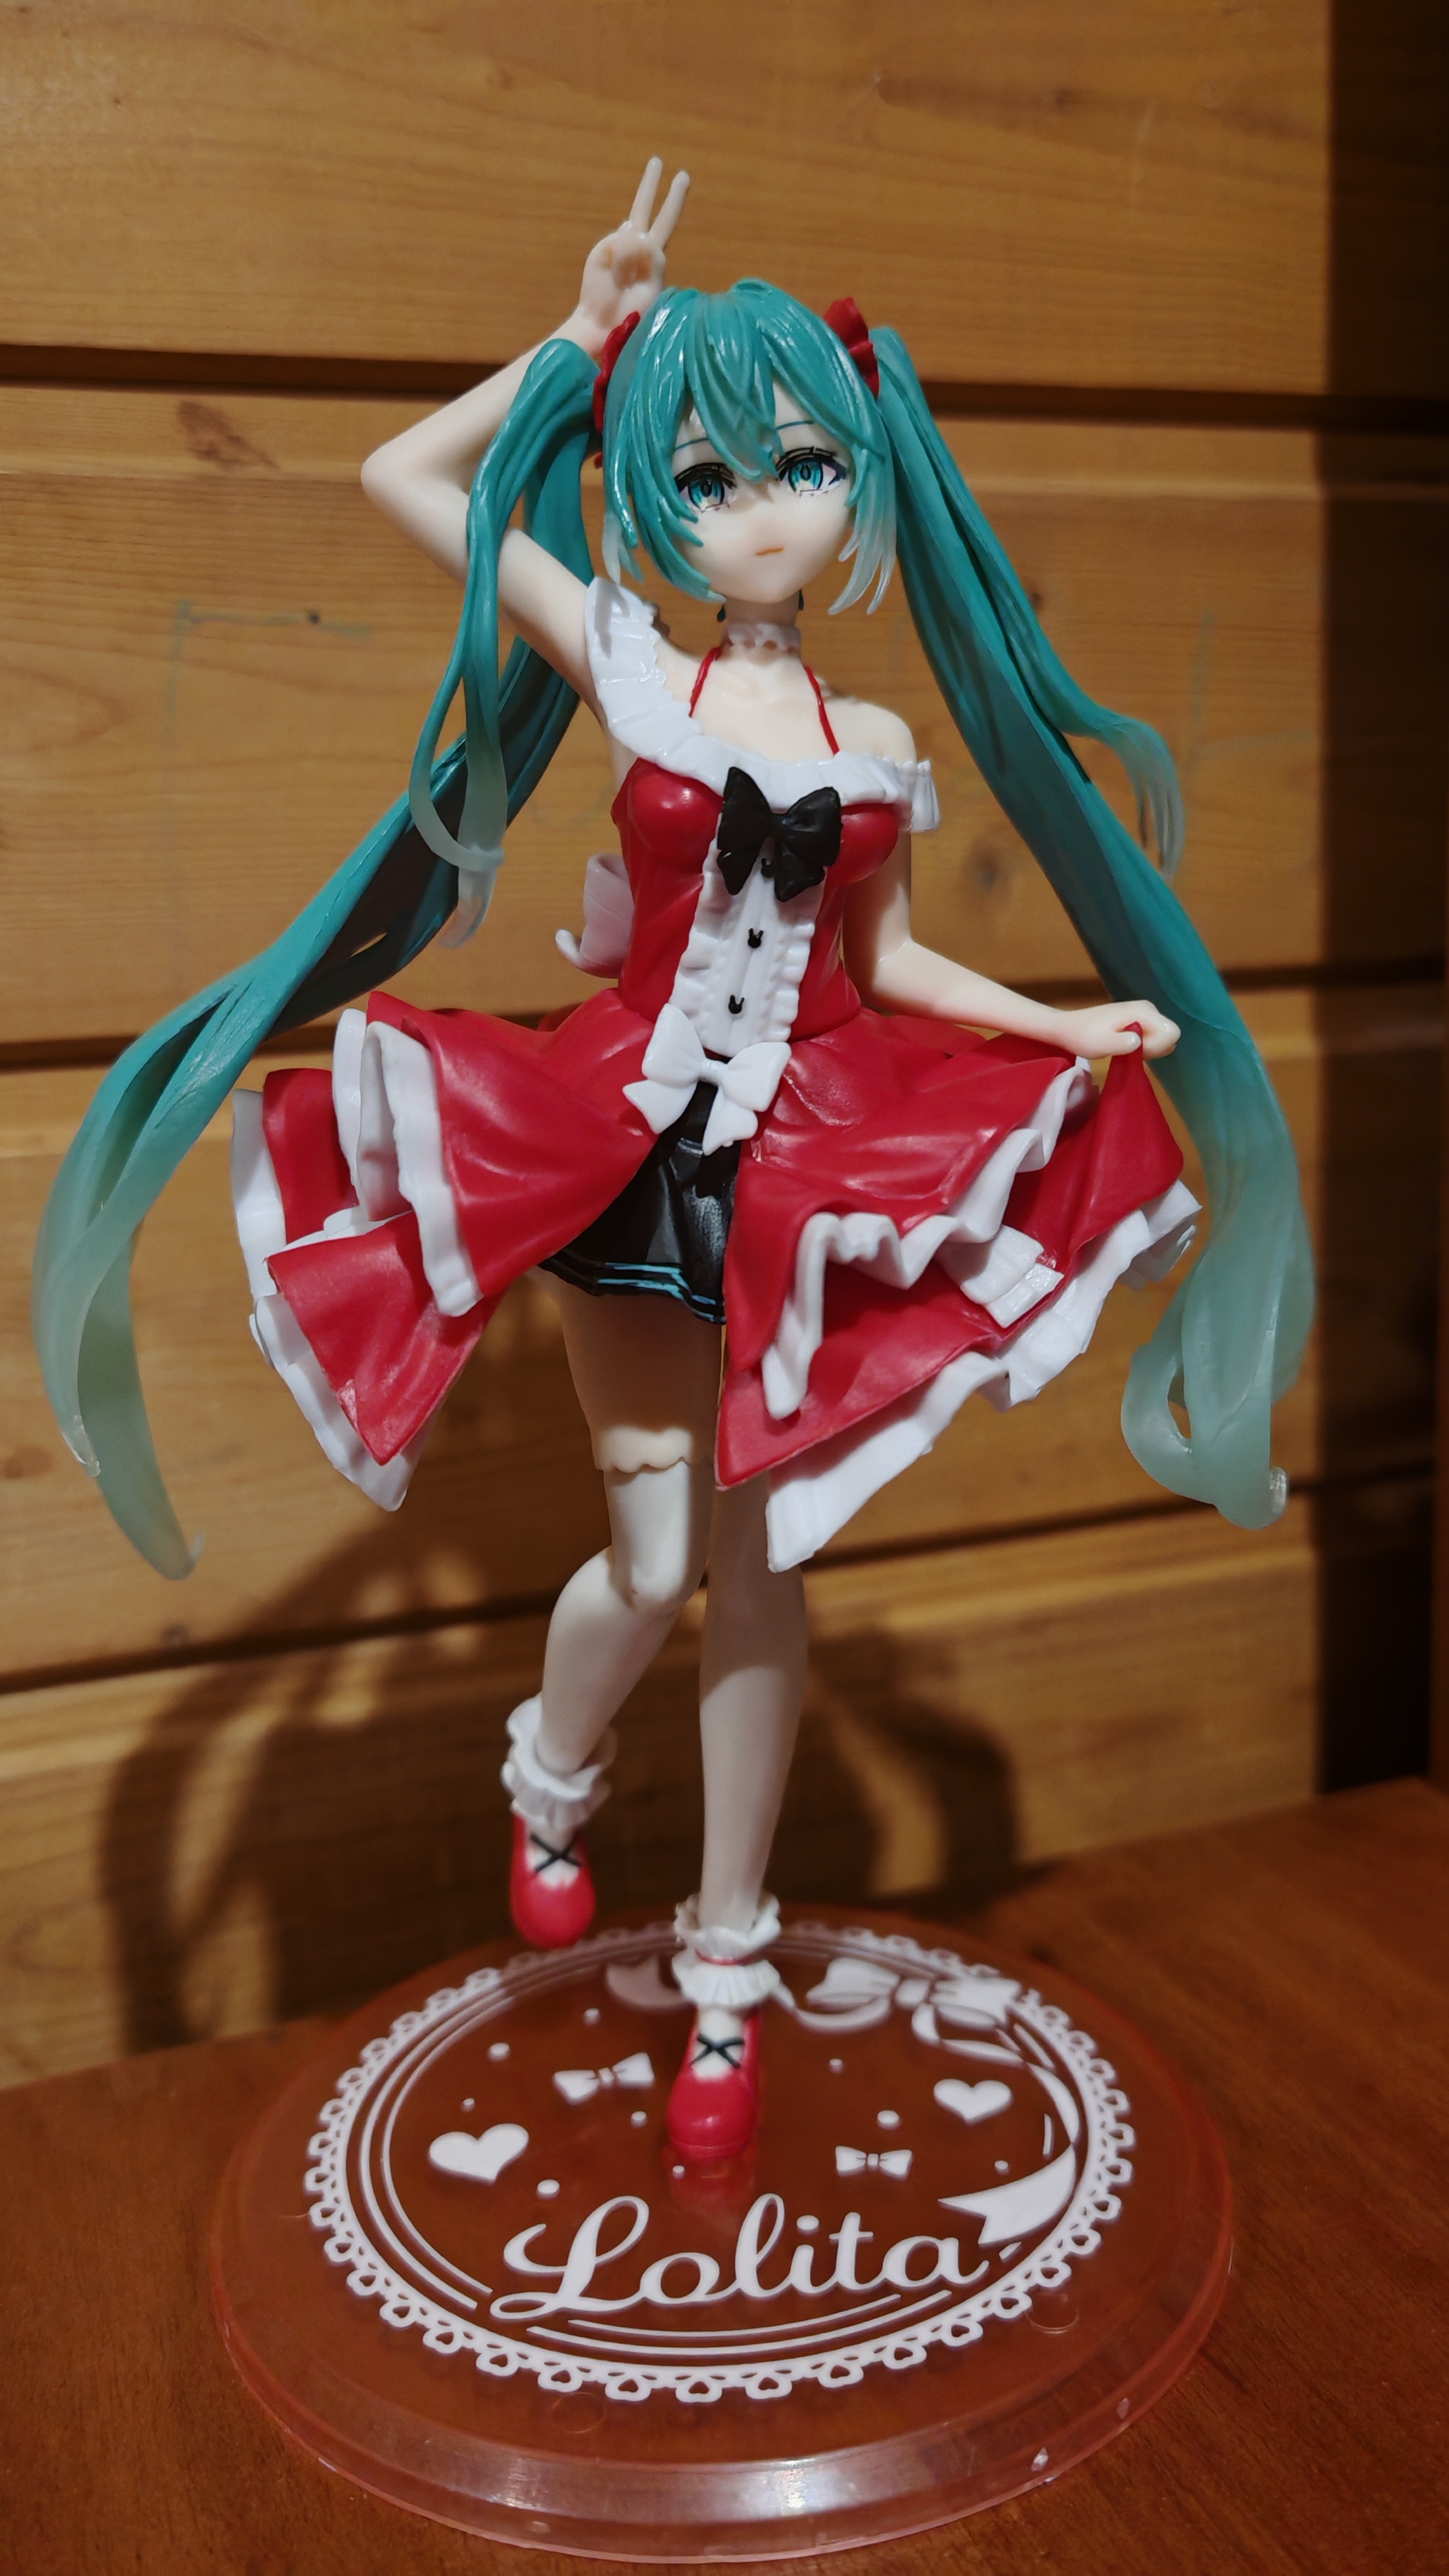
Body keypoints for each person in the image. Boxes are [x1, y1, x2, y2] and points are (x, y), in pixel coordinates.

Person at [33, 162, 1311, 2163]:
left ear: (859, 474)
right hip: (617, 1147)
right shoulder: (630, 659)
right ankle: (554, 1765)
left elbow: (888, 962)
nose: (764, 510)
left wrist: (1071, 1028)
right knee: (652, 1563)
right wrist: (573, 335)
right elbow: (401, 479)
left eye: (802, 464)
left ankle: (729, 1969)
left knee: (770, 1561)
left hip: (808, 1158)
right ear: (654, 496)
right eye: (711, 476)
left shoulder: (878, 743)